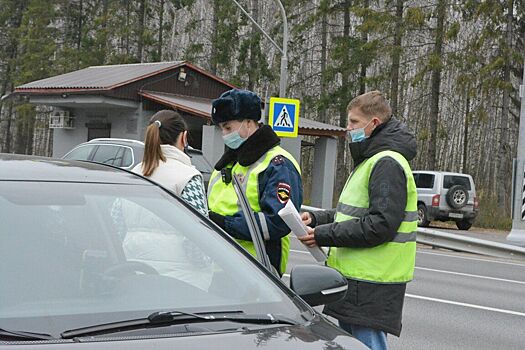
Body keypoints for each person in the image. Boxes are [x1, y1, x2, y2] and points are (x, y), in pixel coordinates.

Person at [298, 91, 417, 350]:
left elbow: (380, 224)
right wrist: (317, 219)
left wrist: (323, 234)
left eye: (353, 122)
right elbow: (353, 214)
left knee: (366, 345)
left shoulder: (387, 162)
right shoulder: (372, 159)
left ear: (373, 123)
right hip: (359, 281)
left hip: (373, 283)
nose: (348, 129)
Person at [207, 89, 303, 276]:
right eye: (221, 129)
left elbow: (278, 222)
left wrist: (223, 224)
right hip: (221, 267)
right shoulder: (230, 163)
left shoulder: (278, 164)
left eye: (228, 128)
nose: (224, 135)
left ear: (249, 123)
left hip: (258, 270)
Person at [133, 110, 208, 216]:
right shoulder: (188, 176)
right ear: (184, 137)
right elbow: (201, 225)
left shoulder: (133, 173)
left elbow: (117, 220)